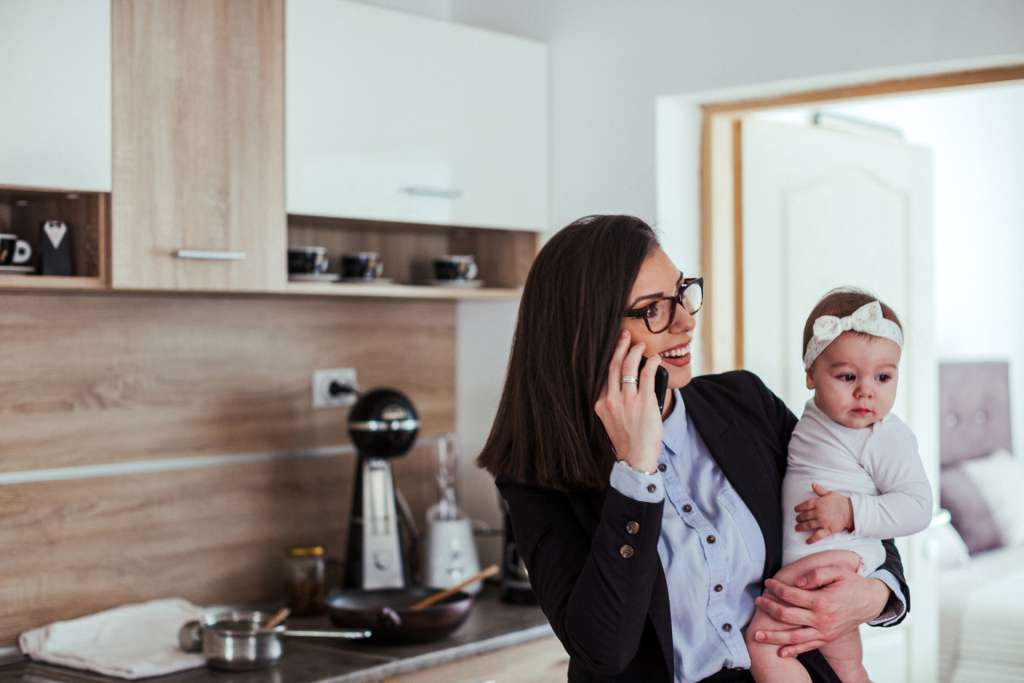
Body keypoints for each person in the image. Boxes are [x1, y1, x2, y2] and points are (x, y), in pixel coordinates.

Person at [477, 215, 910, 683]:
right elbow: (603, 651)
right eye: (653, 309)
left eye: (682, 293)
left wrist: (875, 595)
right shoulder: (536, 478)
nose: (686, 321)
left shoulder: (747, 403)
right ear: (588, 330)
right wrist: (636, 474)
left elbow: (846, 505)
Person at [746, 290, 932, 683]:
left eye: (883, 377)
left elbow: (918, 507)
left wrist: (849, 511)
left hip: (831, 563)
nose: (866, 390)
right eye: (847, 376)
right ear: (811, 375)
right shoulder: (815, 417)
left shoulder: (883, 436)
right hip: (817, 564)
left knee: (765, 643)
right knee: (846, 668)